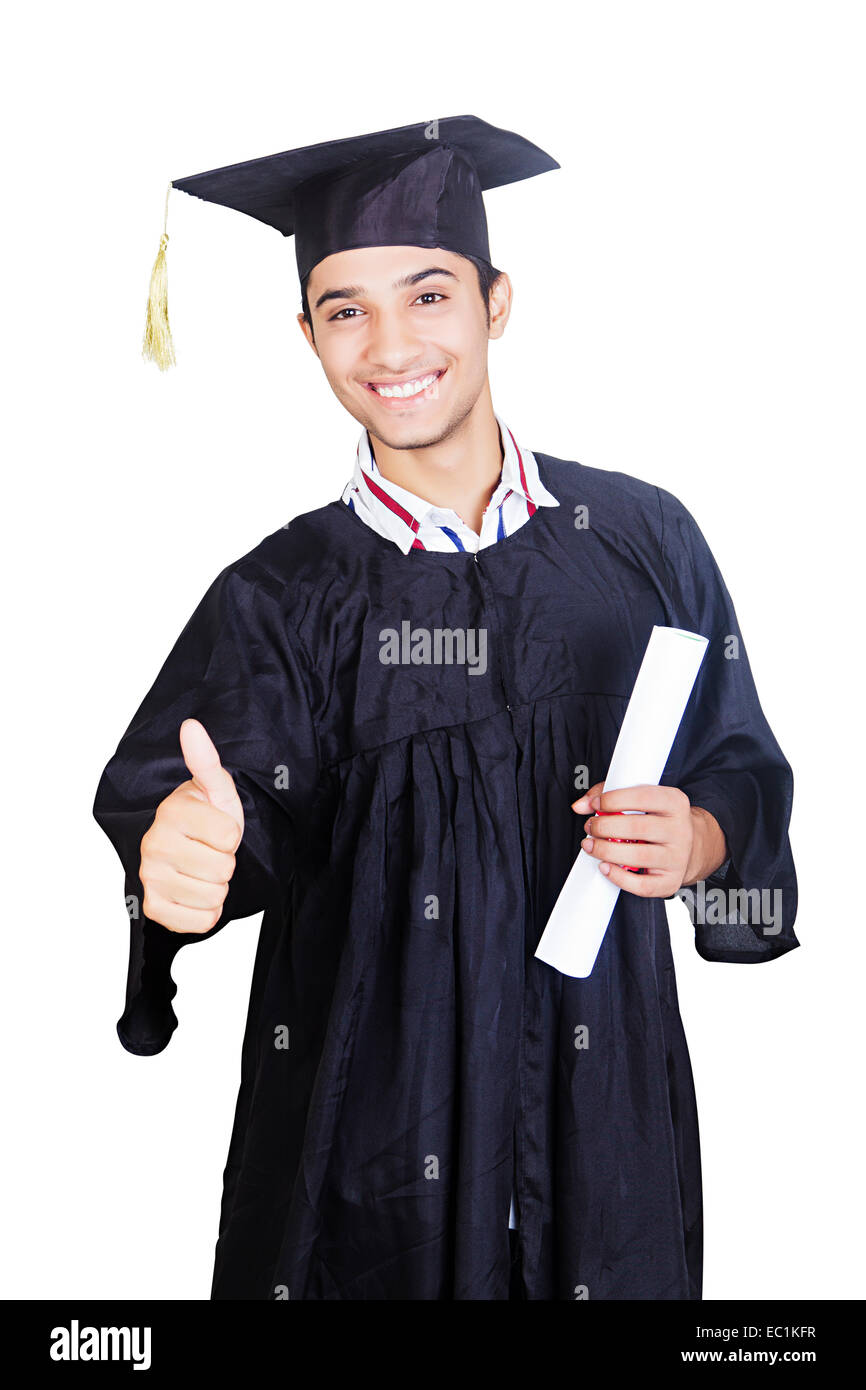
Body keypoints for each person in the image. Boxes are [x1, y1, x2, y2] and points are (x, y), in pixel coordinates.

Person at [93, 115, 799, 1301]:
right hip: (370, 1139)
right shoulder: (280, 597)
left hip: (601, 1121)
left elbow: (739, 773)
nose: (389, 343)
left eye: (426, 293)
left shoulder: (638, 541)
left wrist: (701, 840)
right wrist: (177, 867)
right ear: (306, 335)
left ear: (495, 302)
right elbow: (209, 817)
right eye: (343, 308)